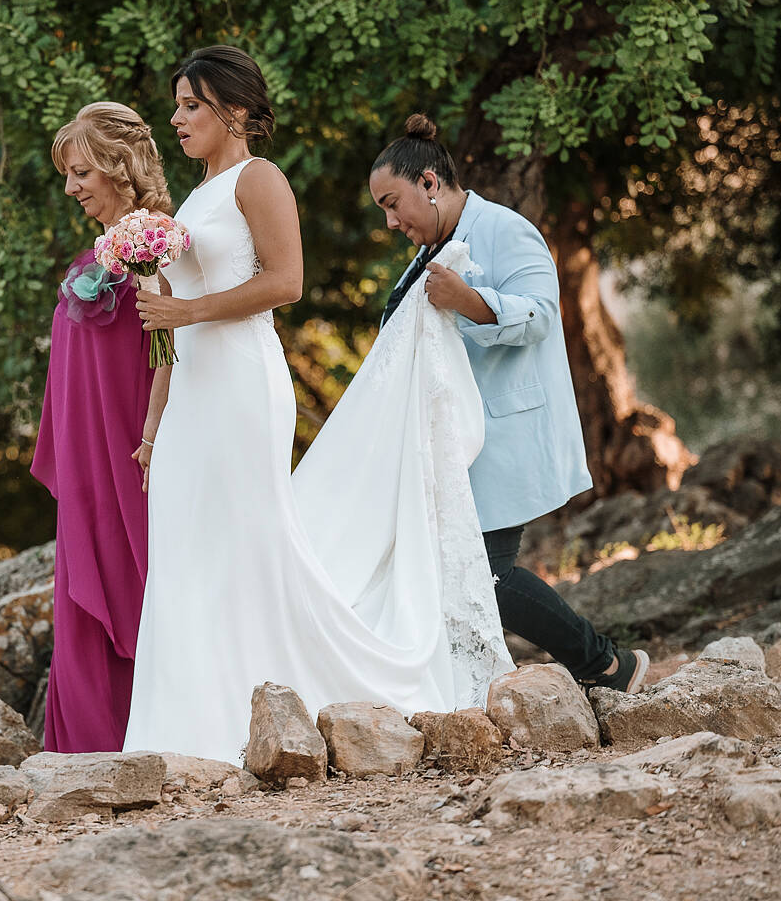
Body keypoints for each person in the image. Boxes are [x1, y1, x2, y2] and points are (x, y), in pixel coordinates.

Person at [123, 46, 511, 763]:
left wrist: (188, 310)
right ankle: (187, 728)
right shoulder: (193, 198)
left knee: (245, 541)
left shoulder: (259, 179)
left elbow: (287, 282)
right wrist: (153, 413)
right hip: (192, 388)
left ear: (235, 112)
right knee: (184, 546)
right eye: (176, 105)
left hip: (241, 385)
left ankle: (286, 709)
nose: (176, 119)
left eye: (191, 105)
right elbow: (175, 312)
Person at [367, 113, 650, 693]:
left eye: (393, 204)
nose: (391, 221)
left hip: (504, 435)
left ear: (428, 182)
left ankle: (608, 666)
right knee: (452, 572)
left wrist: (469, 300)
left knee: (487, 576)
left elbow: (541, 314)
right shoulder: (426, 255)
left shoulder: (507, 230)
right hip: (454, 445)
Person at [31, 101, 172, 752]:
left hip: (128, 455)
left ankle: (137, 736)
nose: (70, 188)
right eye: (68, 174)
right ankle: (84, 744)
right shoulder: (95, 256)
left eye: (81, 172)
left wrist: (151, 438)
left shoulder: (157, 251)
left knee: (132, 579)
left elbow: (168, 352)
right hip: (84, 455)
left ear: (119, 166)